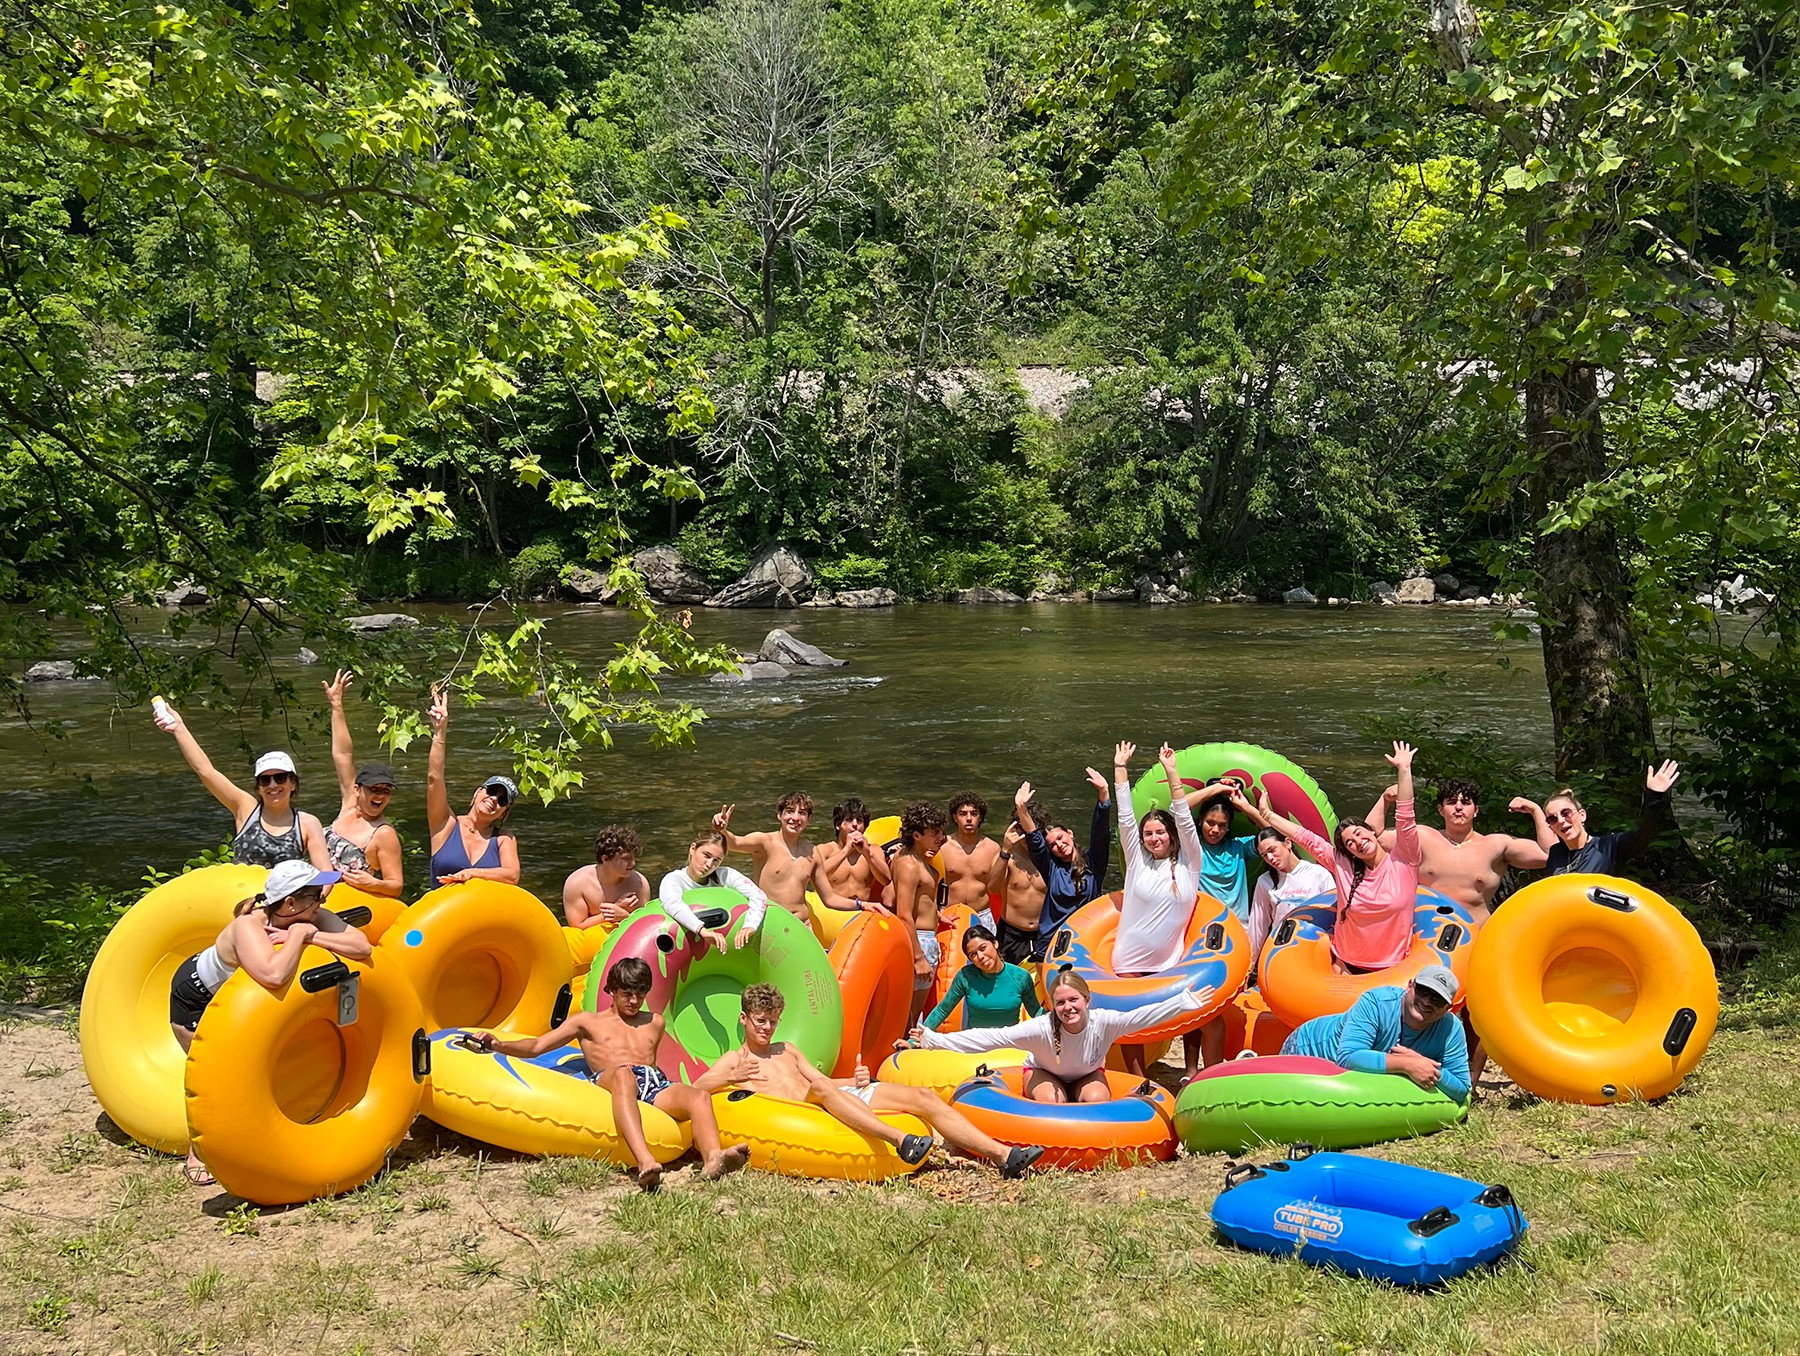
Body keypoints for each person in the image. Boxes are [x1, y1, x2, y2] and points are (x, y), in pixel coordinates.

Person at [695, 983, 1044, 1178]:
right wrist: (730, 1076)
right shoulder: (734, 1060)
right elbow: (698, 1090)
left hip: (828, 1096)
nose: (766, 1028)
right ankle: (899, 1138)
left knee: (922, 1095)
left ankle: (1003, 1155)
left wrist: (855, 1079)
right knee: (820, 1089)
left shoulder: (787, 1048)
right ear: (743, 1018)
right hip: (804, 1112)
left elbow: (823, 1081)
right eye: (759, 1020)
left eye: (772, 1021)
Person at [468, 958, 750, 1190]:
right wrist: (499, 1043)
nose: (634, 1000)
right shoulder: (587, 1022)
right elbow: (538, 1046)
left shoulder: (655, 1021)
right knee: (625, 1075)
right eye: (627, 993)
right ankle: (645, 1162)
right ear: (611, 991)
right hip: (611, 1077)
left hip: (652, 1082)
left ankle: (714, 1159)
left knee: (699, 1096)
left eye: (640, 994)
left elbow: (653, 1065)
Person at [169, 861, 371, 1183]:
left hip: (240, 996)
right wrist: (299, 936)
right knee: (215, 1076)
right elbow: (274, 975)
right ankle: (198, 1152)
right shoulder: (249, 926)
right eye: (316, 896)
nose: (323, 902)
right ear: (290, 903)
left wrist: (312, 935)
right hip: (196, 1000)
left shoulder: (311, 916)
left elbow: (361, 946)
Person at [909, 967, 1215, 1104]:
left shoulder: (1104, 1022)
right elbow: (989, 1038)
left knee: (1097, 1099)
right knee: (1050, 1100)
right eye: (1060, 1002)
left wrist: (1184, 1002)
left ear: (1086, 1000)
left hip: (1087, 1074)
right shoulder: (1039, 1028)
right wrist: (934, 1039)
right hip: (1044, 1072)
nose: (1067, 1008)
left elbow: (1142, 1017)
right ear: (1052, 1005)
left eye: (1073, 1000)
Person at [1257, 742, 1423, 974]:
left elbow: (1406, 816)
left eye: (1358, 833)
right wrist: (1266, 815)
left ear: (1371, 831)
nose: (1357, 842)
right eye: (1349, 843)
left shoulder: (1404, 860)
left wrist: (1404, 769)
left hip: (1392, 968)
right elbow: (1305, 838)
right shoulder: (1344, 866)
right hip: (1345, 964)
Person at [1113, 742, 1209, 1080]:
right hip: (1129, 960)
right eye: (1148, 834)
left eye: (1160, 832)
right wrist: (1120, 769)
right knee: (1129, 1017)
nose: (1154, 838)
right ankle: (1139, 1080)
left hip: (1172, 958)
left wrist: (1171, 772)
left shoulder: (1189, 865)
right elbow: (1125, 819)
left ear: (1172, 835)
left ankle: (1191, 1071)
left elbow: (1184, 816)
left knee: (1192, 1013)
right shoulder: (1137, 864)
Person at [154, 703, 329, 870]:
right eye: (265, 780)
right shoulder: (246, 809)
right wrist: (179, 728)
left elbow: (325, 872)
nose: (273, 785)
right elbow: (206, 771)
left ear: (293, 783)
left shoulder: (307, 823)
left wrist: (312, 898)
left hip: (287, 901)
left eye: (280, 778)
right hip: (244, 899)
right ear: (258, 787)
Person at [1364, 775, 1547, 925]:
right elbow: (1371, 836)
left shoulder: (1496, 845)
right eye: (1451, 802)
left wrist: (1536, 811)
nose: (1459, 807)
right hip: (1427, 937)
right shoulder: (1422, 837)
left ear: (1476, 810)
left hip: (1478, 935)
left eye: (1466, 803)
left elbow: (1548, 855)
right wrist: (1385, 799)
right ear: (1440, 810)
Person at [1280, 966, 1471, 1104]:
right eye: (1423, 991)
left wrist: (1423, 1066)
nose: (1427, 1002)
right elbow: (1348, 1056)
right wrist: (1407, 1064)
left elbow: (1462, 1088)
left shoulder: (1451, 1030)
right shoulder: (1376, 1002)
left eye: (1437, 1000)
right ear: (1410, 985)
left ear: (1448, 1008)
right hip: (1306, 1047)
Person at [1003, 771, 1111, 963]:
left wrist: (1103, 793)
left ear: (1070, 834)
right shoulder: (1052, 868)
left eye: (1060, 838)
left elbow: (1100, 833)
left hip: (1085, 941)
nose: (1058, 845)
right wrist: (1022, 809)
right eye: (1052, 845)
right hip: (1051, 946)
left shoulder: (1094, 862)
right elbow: (1035, 840)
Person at [1516, 761, 1682, 877]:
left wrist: (1656, 796)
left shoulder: (1609, 846)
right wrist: (1535, 811)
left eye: (1566, 813)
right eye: (1552, 819)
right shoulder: (1556, 854)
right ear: (1551, 827)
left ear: (1582, 815)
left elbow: (1647, 834)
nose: (1560, 820)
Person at [425, 685, 520, 887]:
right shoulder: (445, 824)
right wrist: (439, 732)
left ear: (504, 812)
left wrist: (472, 873)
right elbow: (435, 779)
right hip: (441, 914)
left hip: (485, 916)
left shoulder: (503, 839)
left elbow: (512, 876)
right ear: (478, 792)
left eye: (502, 800)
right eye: (492, 791)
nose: (494, 799)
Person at [321, 670, 404, 898]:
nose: (380, 795)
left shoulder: (383, 833)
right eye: (374, 789)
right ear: (357, 789)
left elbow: (396, 885)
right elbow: (343, 754)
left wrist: (373, 883)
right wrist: (337, 706)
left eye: (385, 791)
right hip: (316, 894)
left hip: (349, 904)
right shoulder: (349, 803)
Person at [712, 792, 821, 926]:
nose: (795, 817)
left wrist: (855, 904)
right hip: (771, 923)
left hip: (802, 925)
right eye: (790, 811)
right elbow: (734, 843)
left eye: (802, 813)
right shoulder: (764, 842)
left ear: (809, 819)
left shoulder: (811, 851)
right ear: (779, 815)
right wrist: (721, 829)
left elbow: (830, 898)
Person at [890, 802, 951, 1023]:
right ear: (917, 835)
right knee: (910, 1013)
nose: (941, 838)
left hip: (924, 938)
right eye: (934, 833)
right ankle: (903, 1053)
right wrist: (918, 958)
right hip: (919, 942)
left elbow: (895, 897)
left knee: (913, 1012)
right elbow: (904, 913)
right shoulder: (909, 865)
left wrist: (937, 915)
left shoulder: (911, 859)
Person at [657, 830, 768, 951]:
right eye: (706, 855)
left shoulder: (725, 875)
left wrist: (750, 925)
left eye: (716, 860)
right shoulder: (674, 880)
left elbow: (758, 895)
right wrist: (702, 930)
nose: (709, 864)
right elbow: (672, 904)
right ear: (693, 849)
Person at [1179, 777, 1269, 925]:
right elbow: (1177, 808)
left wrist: (1245, 807)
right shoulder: (1191, 846)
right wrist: (1217, 788)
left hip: (1239, 928)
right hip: (1203, 926)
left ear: (1228, 827)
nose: (1215, 830)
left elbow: (1273, 835)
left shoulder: (1239, 848)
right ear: (1200, 820)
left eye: (1222, 825)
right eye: (1210, 823)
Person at [1247, 827, 1337, 964]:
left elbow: (1335, 916)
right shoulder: (1265, 882)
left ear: (1288, 843)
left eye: (1272, 850)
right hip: (1282, 951)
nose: (1270, 858)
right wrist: (1250, 964)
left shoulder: (1318, 874)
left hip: (1316, 950)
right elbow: (1257, 926)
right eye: (1264, 855)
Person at [923, 926, 1042, 1030]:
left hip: (1010, 1043)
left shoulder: (1020, 976)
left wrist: (1058, 1020)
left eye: (983, 948)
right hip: (976, 1044)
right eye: (973, 955)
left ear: (995, 943)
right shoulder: (966, 976)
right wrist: (916, 1039)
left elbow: (1036, 1012)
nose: (980, 956)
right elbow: (942, 1010)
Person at [810, 798, 895, 925]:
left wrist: (866, 853)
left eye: (859, 821)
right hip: (830, 916)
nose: (855, 825)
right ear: (838, 825)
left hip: (861, 914)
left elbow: (886, 879)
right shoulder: (824, 850)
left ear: (865, 827)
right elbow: (816, 876)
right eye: (849, 820)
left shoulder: (873, 850)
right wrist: (846, 851)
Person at [563, 825, 652, 930]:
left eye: (633, 857)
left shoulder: (639, 884)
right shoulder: (577, 883)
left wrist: (625, 916)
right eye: (626, 859)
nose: (632, 863)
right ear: (605, 859)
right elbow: (577, 927)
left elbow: (646, 927)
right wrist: (610, 913)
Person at [940, 792, 1000, 928]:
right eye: (962, 814)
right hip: (950, 915)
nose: (968, 819)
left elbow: (999, 887)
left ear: (980, 817)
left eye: (974, 814)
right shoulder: (942, 846)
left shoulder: (992, 848)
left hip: (983, 916)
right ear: (955, 817)